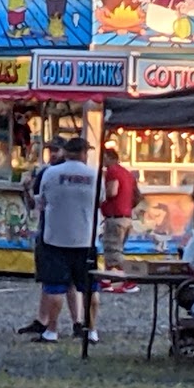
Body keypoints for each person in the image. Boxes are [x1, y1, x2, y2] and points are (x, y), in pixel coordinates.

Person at [30, 136, 100, 343]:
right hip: (86, 239)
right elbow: (102, 199)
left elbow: (41, 202)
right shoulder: (94, 175)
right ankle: (91, 329)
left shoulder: (51, 173)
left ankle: (51, 330)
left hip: (55, 237)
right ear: (84, 153)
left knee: (54, 288)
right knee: (89, 288)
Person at [100, 146, 140, 290]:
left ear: (109, 157)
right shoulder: (127, 173)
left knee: (113, 251)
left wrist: (101, 202)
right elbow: (137, 195)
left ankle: (131, 278)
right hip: (127, 216)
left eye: (103, 157)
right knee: (113, 249)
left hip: (115, 216)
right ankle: (107, 280)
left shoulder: (113, 171)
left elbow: (112, 191)